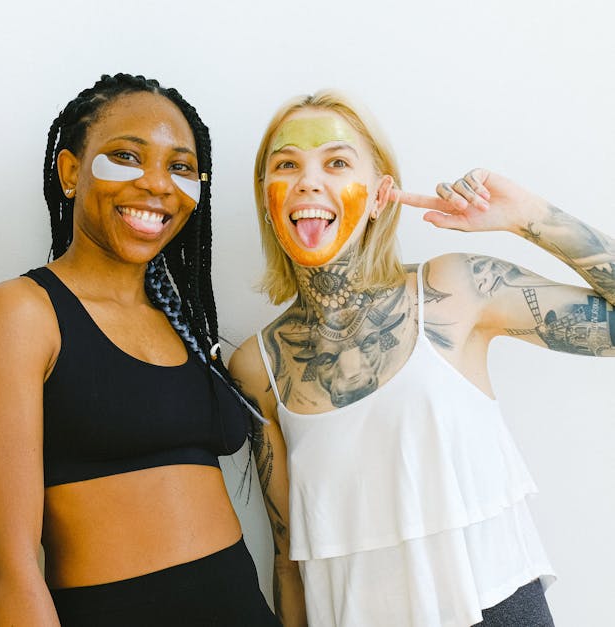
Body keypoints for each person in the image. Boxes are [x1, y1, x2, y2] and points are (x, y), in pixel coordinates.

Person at [230, 89, 615, 627]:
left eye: (337, 162)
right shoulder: (257, 365)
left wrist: (527, 216)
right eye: (286, 164)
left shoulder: (456, 289)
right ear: (267, 198)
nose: (308, 181)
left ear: (380, 193)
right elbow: (289, 555)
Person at [0, 73, 278, 627]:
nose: (157, 184)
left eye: (180, 167)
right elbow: (6, 564)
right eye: (127, 156)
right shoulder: (23, 313)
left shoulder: (185, 322)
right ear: (70, 172)